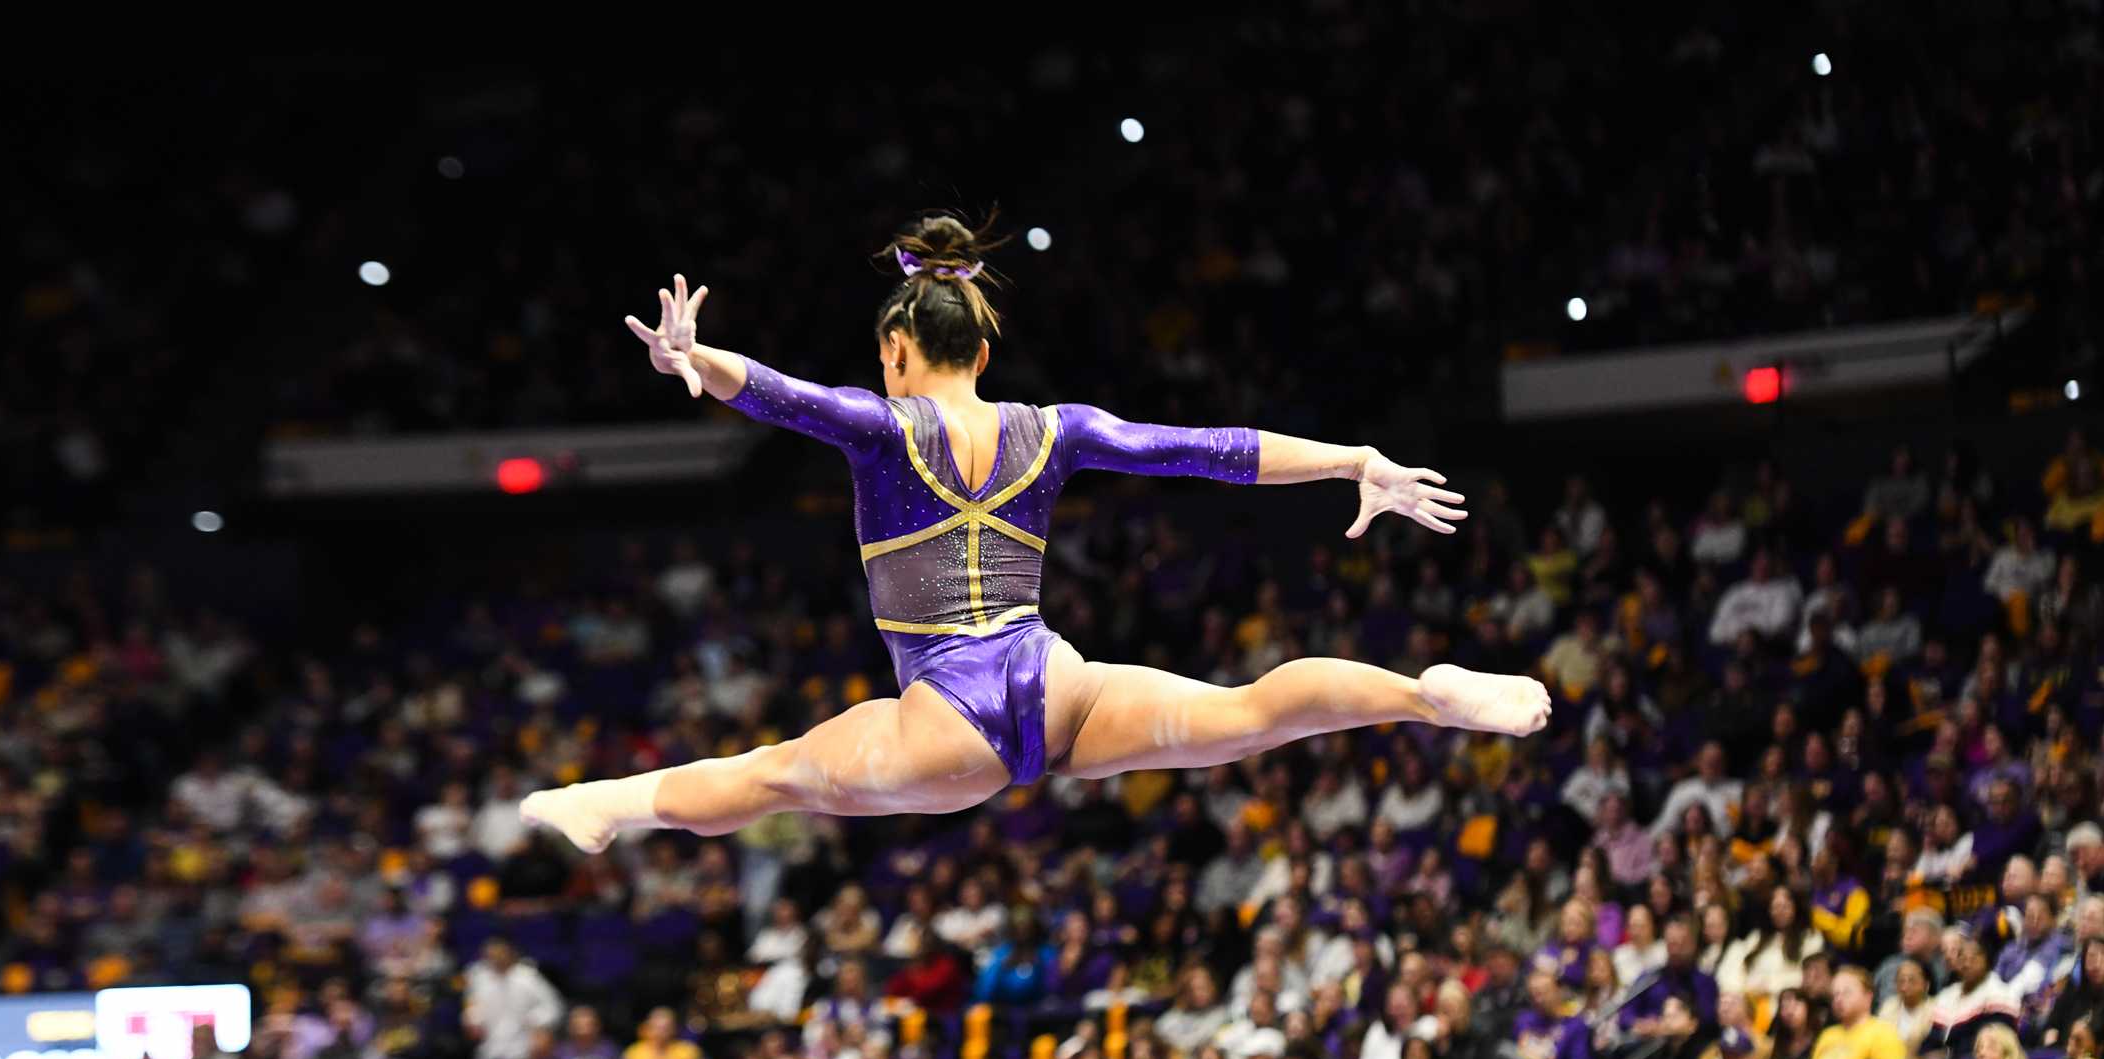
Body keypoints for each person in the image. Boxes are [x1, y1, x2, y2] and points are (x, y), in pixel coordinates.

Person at [521, 227, 1549, 854]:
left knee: (776, 775)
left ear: (894, 348)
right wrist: (1348, 459)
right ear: (982, 343)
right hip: (1054, 677)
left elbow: (788, 400)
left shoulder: (887, 429)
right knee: (1243, 712)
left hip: (949, 706)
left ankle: (605, 802)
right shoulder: (1054, 429)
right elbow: (1210, 449)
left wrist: (697, 360)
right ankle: (1423, 696)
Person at [1812, 968, 1907, 1059]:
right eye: (1835, 994)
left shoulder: (1883, 1032)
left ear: (1868, 996)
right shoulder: (1827, 1035)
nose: (1839, 999)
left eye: (1846, 992)